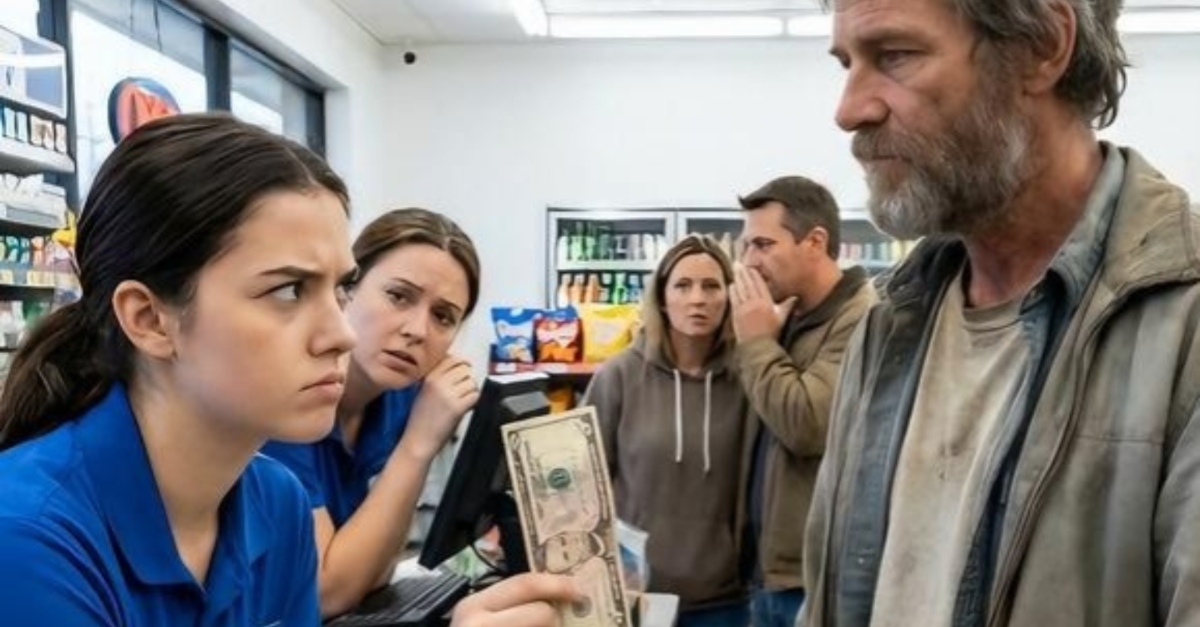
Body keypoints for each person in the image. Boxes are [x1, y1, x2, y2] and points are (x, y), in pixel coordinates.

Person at [0, 113, 578, 627]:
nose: (341, 334)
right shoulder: (27, 539)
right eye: (288, 290)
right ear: (149, 319)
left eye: (340, 288)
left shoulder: (278, 505)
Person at [802, 0, 1200, 625]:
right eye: (846, 63)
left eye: (895, 56)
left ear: (1042, 45)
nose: (850, 110)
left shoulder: (1182, 322)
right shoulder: (887, 326)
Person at [261, 208, 485, 617]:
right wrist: (418, 445)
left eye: (443, 316)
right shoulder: (286, 396)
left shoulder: (400, 397)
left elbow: (377, 570)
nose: (417, 330)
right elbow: (325, 593)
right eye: (398, 296)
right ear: (346, 289)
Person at [730, 175, 876, 627]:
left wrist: (757, 342)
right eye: (746, 246)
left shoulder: (863, 318)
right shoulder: (788, 314)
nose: (749, 262)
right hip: (766, 575)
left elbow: (807, 424)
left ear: (814, 242)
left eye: (763, 245)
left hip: (812, 580)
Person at [583, 235, 751, 627]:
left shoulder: (747, 379)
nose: (697, 299)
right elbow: (584, 483)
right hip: (637, 594)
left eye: (711, 286)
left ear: (728, 296)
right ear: (661, 297)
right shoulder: (619, 375)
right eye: (683, 285)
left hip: (723, 599)